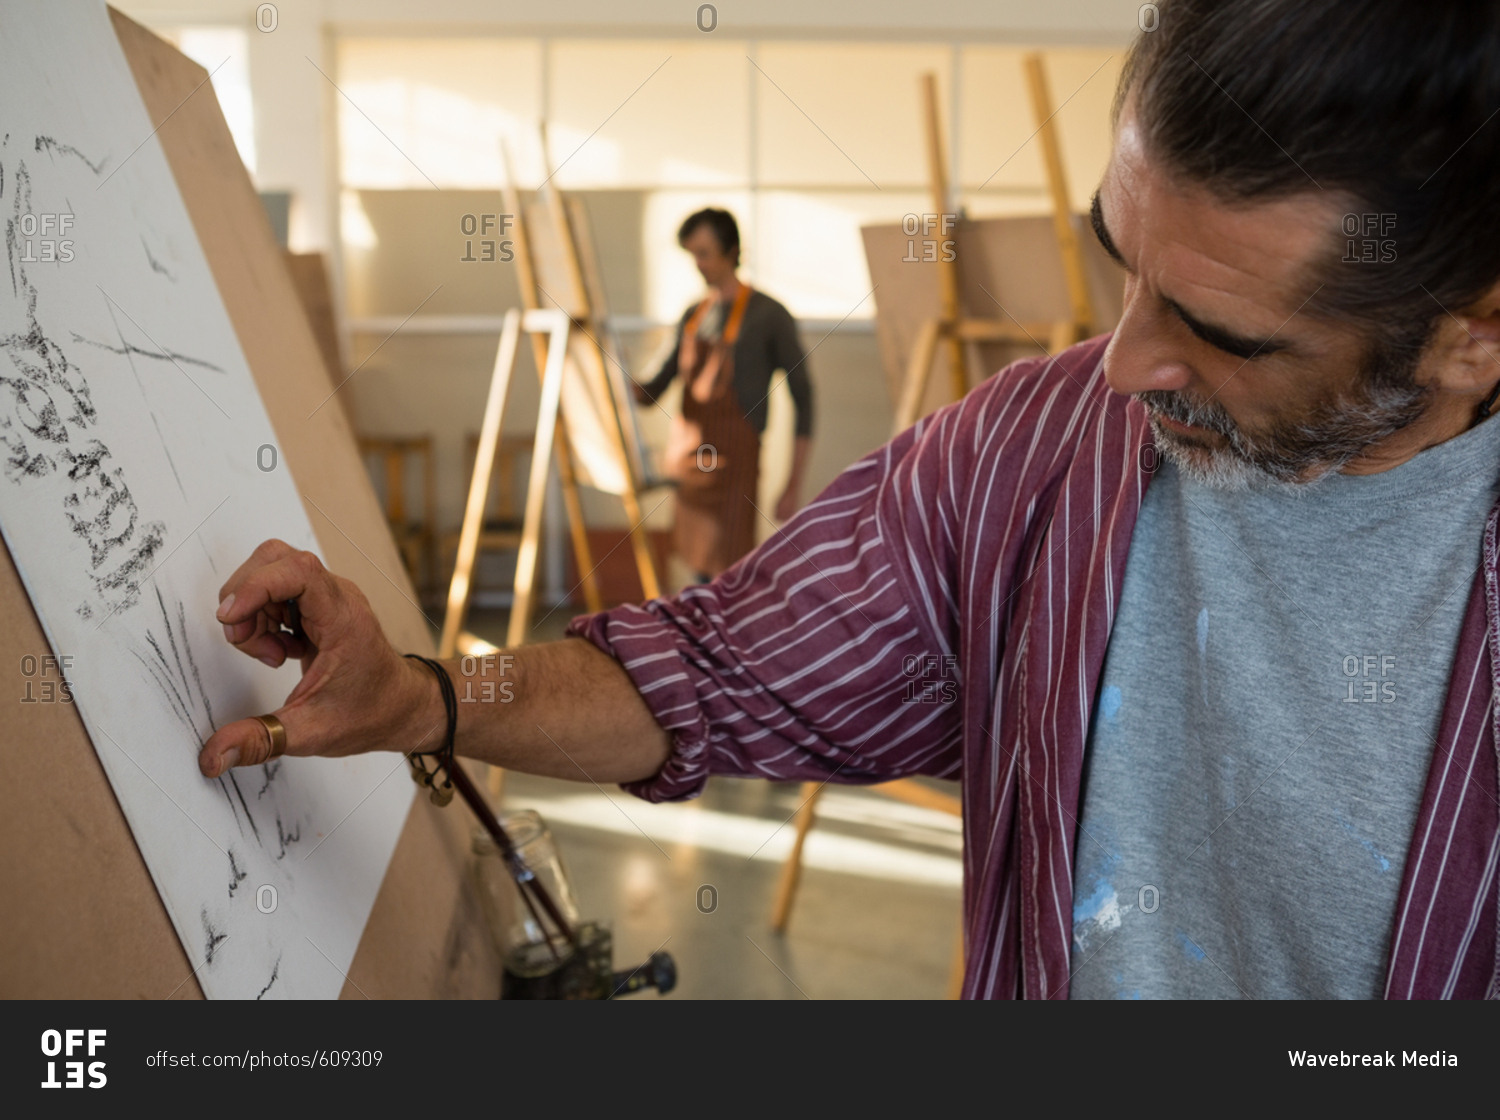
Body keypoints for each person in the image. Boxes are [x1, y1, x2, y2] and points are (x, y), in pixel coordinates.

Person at [199, 0, 1500, 998]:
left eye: (1219, 331)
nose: (1124, 362)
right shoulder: (1035, 446)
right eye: (1120, 260)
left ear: (1471, 337)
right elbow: (715, 671)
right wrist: (428, 695)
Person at [633, 208, 814, 580]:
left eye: (704, 253)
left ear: (731, 250)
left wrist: (793, 484)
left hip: (735, 471)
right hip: (690, 468)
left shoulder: (769, 315)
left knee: (731, 576)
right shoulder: (692, 315)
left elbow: (805, 399)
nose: (697, 264)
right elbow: (651, 392)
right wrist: (607, 375)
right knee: (697, 570)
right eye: (692, 254)